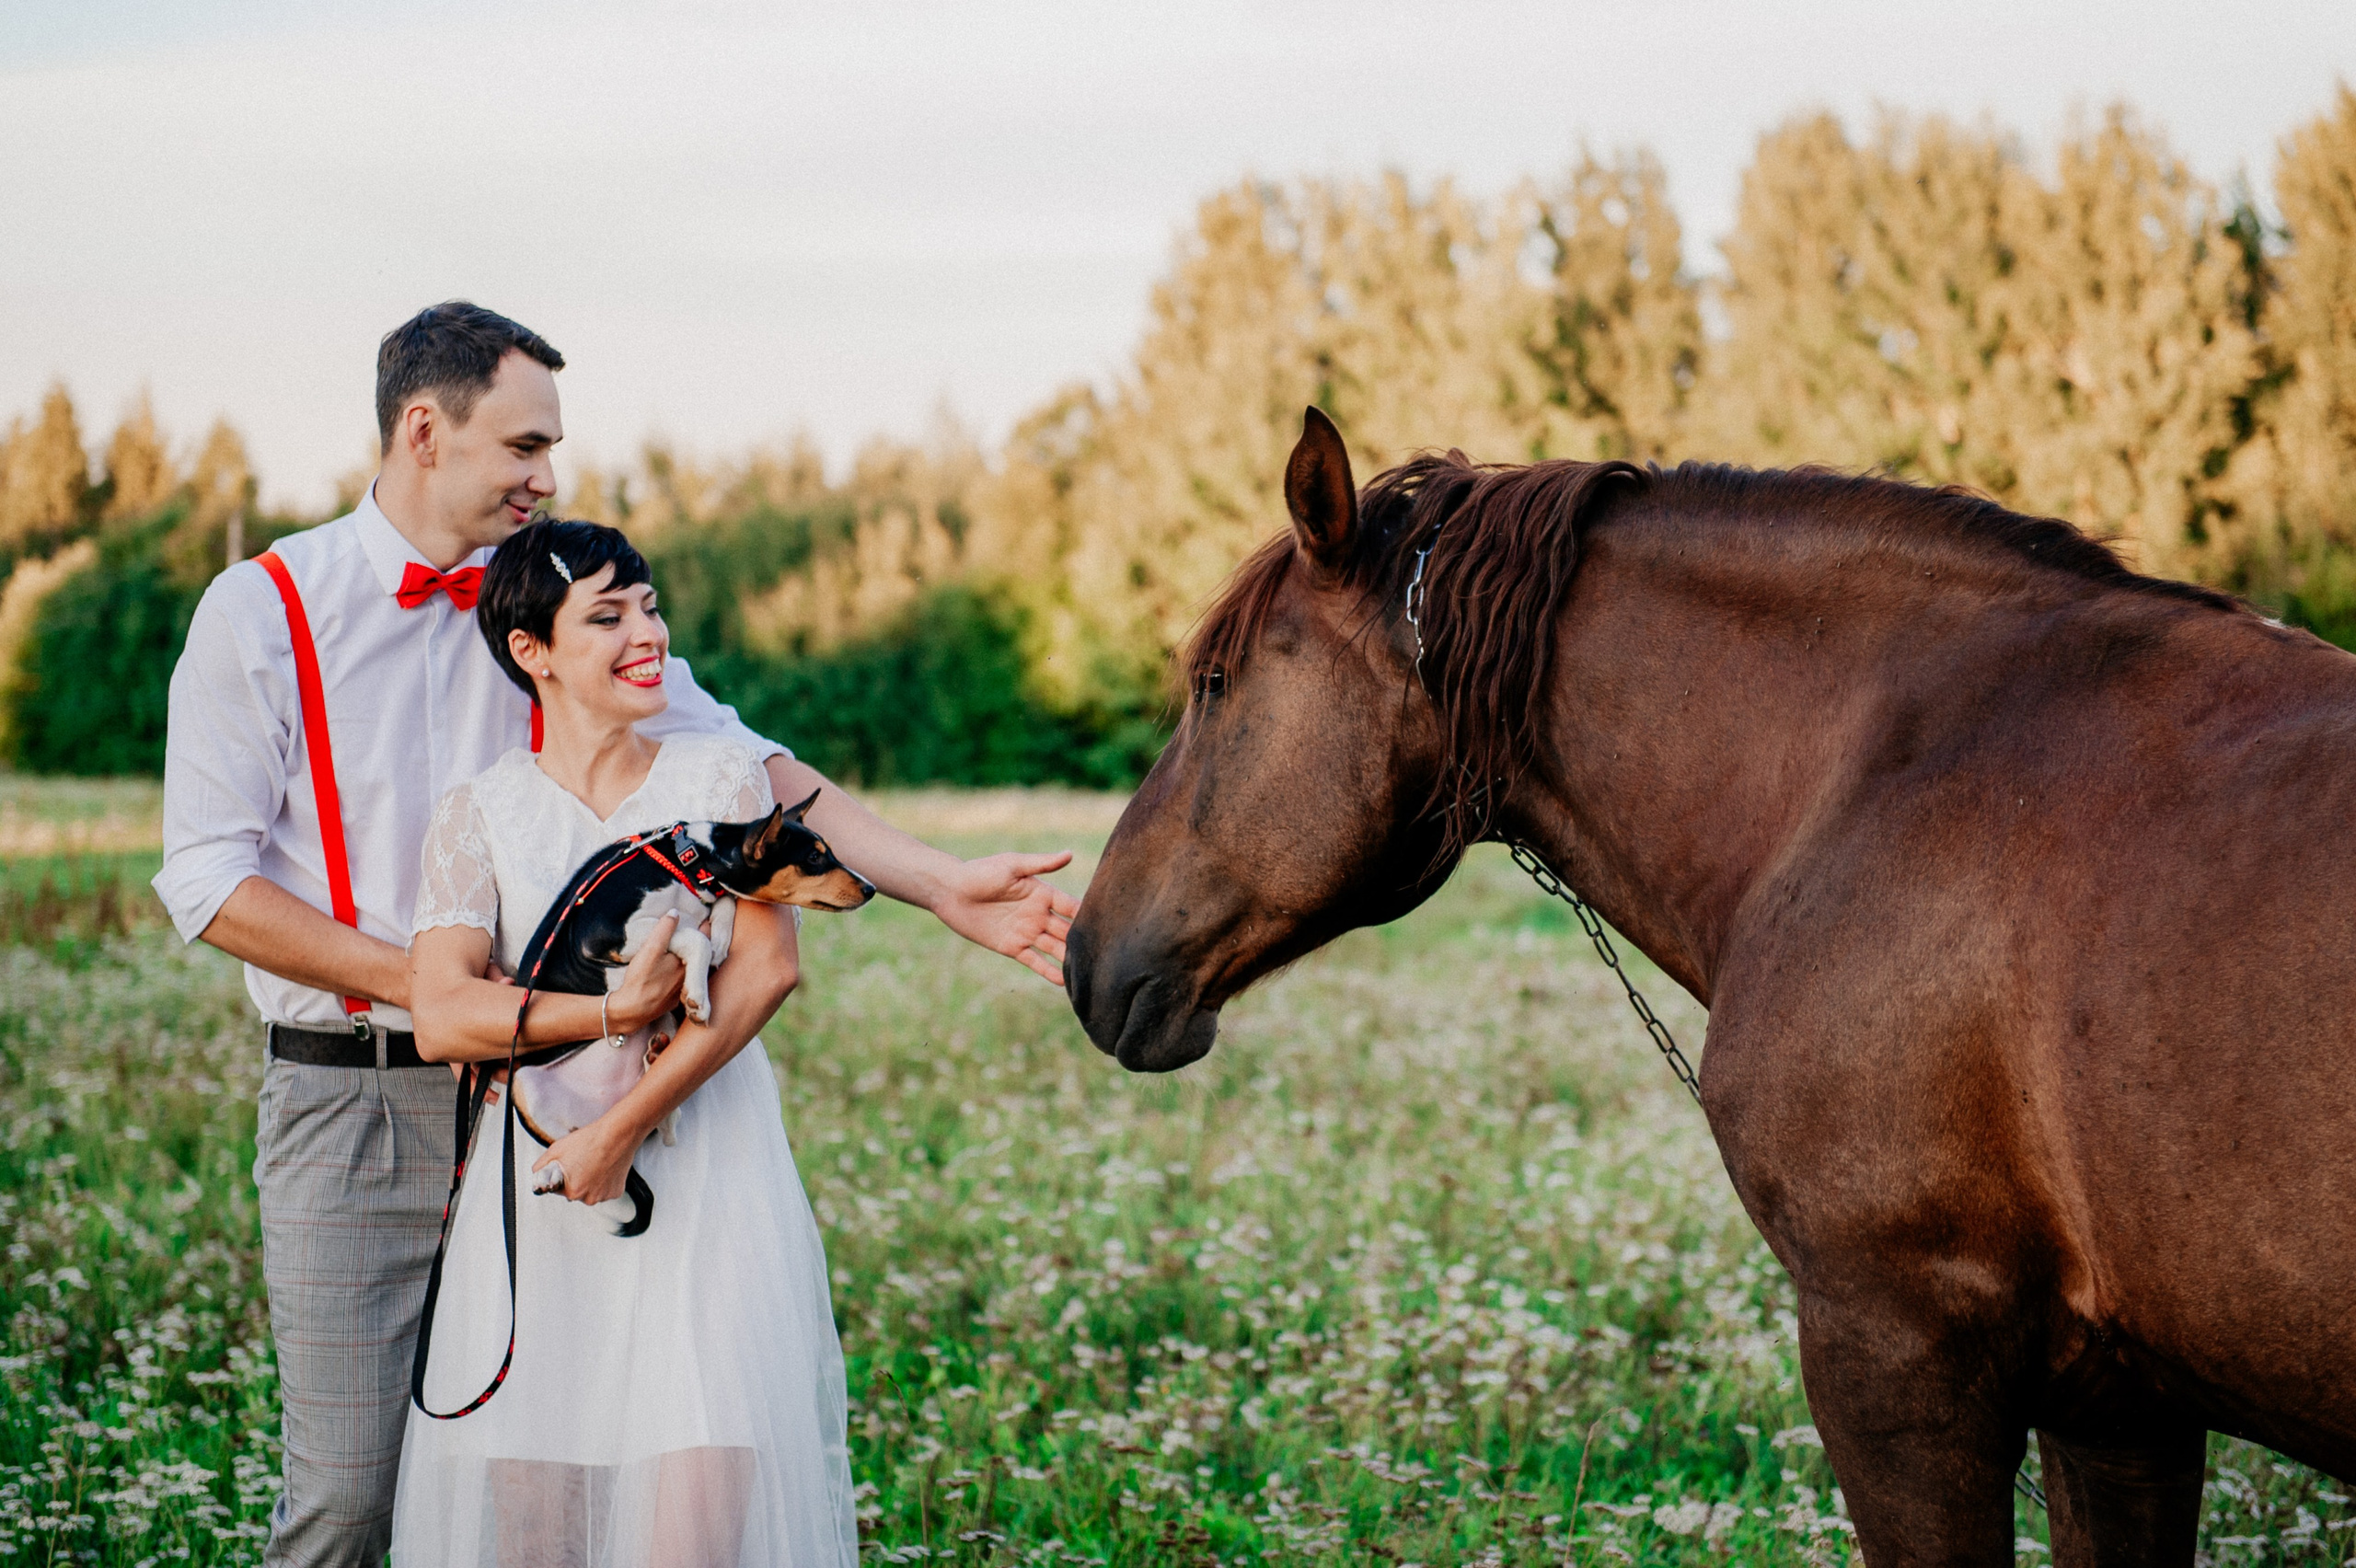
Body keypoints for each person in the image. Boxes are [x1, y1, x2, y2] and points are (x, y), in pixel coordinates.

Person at [153, 301, 1077, 1566]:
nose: (549, 475)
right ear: (426, 430)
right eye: (526, 445)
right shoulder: (260, 612)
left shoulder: (565, 604)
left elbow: (754, 771)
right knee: (352, 1501)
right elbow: (207, 880)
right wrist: (448, 993)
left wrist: (938, 885)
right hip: (356, 1104)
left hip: (574, 1103)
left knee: (570, 1469)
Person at [398, 518, 846, 1564]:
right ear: (532, 653)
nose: (645, 633)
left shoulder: (719, 776)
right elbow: (442, 1014)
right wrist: (609, 1016)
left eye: (646, 605)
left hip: (703, 1188)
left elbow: (766, 973)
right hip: (545, 1200)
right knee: (534, 1531)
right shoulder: (479, 815)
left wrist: (622, 1129)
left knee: (693, 1522)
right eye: (606, 616)